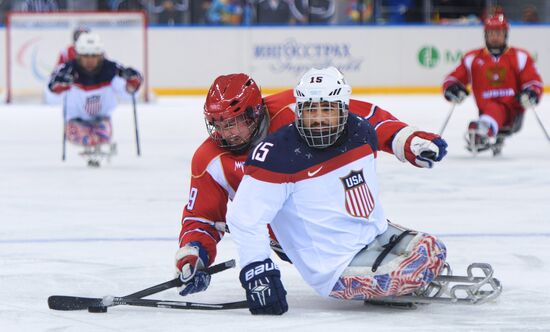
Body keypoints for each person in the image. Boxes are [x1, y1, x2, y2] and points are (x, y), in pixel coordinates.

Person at [174, 68, 448, 300]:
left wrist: (407, 141)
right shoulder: (209, 160)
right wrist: (193, 256)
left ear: (256, 112)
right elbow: (202, 218)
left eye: (236, 121)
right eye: (219, 124)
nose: (228, 132)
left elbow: (361, 117)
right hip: (294, 240)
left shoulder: (294, 109)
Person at [442, 14, 543, 155]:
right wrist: (452, 88)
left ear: (505, 34)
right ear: (485, 35)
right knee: (492, 107)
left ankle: (483, 129)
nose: (495, 37)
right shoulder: (472, 58)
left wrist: (531, 92)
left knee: (497, 107)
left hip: (512, 110)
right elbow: (452, 79)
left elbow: (533, 80)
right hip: (485, 108)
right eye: (491, 33)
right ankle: (484, 127)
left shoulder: (520, 56)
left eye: (499, 33)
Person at [47, 32, 142, 167]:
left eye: (94, 56)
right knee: (87, 138)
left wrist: (132, 83)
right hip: (75, 120)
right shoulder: (67, 70)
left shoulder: (111, 69)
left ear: (101, 55)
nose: (90, 60)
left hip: (102, 120)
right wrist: (58, 86)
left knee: (101, 137)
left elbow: (127, 93)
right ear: (78, 56)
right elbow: (50, 96)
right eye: (85, 56)